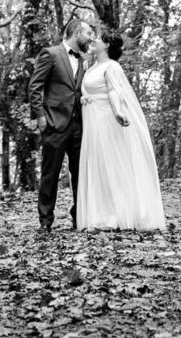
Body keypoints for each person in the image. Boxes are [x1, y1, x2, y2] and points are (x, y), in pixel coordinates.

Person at [77, 29, 166, 231]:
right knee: (98, 165)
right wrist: (84, 97)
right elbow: (89, 89)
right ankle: (101, 214)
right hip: (92, 122)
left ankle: (118, 215)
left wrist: (117, 111)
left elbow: (114, 91)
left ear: (107, 45)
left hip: (106, 121)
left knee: (111, 165)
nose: (93, 40)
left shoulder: (112, 66)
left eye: (98, 39)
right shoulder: (92, 67)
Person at [28, 19, 94, 233]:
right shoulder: (51, 53)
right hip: (54, 123)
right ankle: (45, 221)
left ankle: (78, 217)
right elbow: (35, 85)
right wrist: (39, 116)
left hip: (79, 124)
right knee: (50, 174)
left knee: (80, 173)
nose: (90, 38)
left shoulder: (85, 59)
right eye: (88, 33)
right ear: (76, 33)